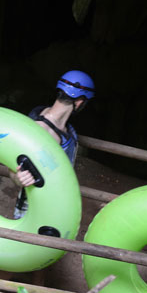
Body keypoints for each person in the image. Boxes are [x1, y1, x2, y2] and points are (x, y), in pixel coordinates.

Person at [9, 70, 95, 219]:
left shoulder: (63, 127)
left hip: (54, 203)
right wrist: (19, 177)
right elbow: (13, 167)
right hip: (35, 210)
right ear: (80, 101)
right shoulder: (42, 130)